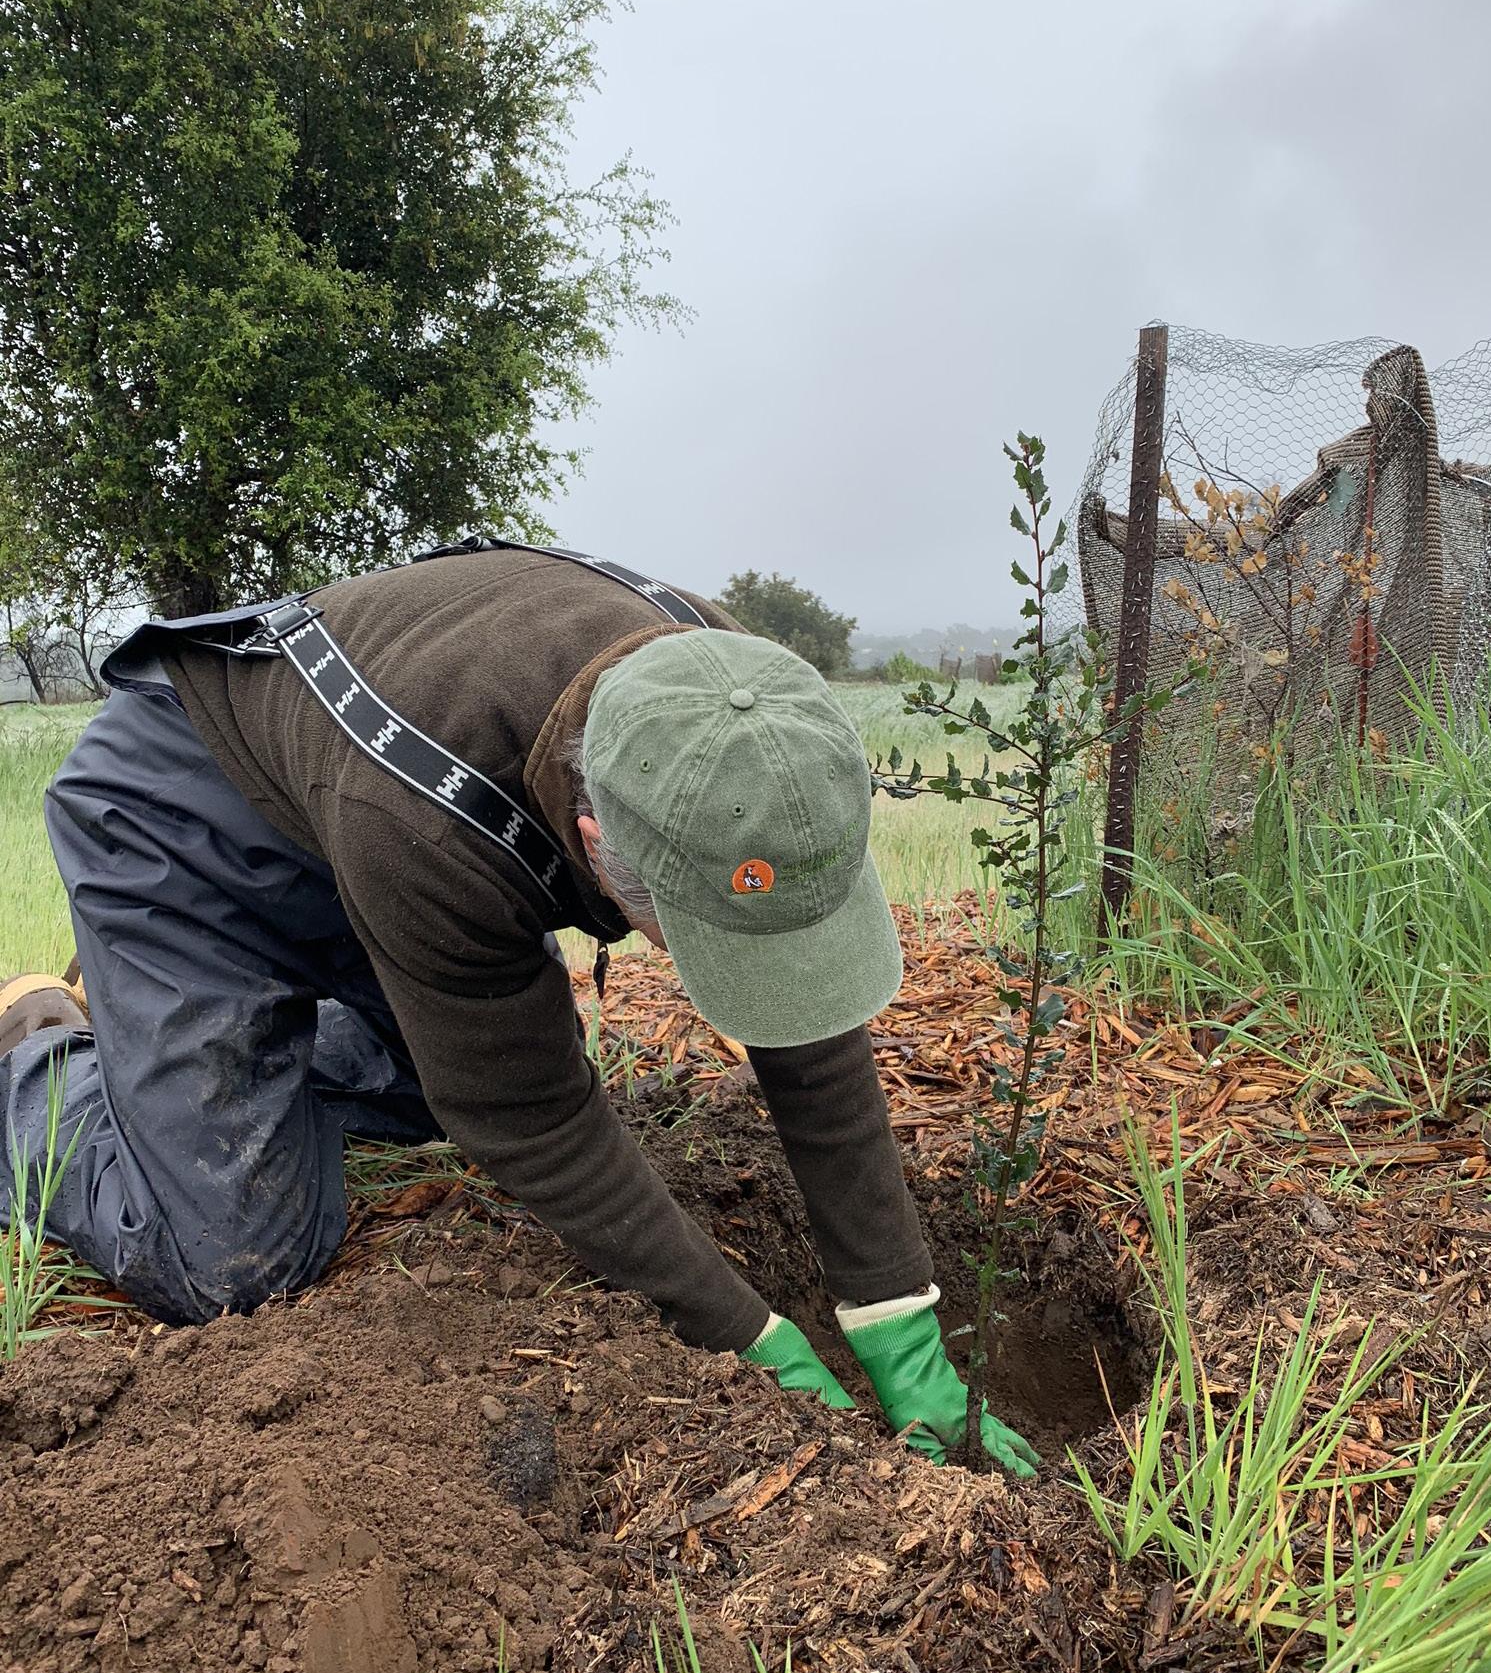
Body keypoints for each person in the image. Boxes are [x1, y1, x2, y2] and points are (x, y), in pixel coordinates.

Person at [0, 543, 1037, 1475]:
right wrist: (749, 1339)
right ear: (594, 844)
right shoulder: (427, 826)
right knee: (232, 1260)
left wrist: (895, 1313)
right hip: (186, 822)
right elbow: (528, 1116)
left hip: (348, 811)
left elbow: (802, 1015)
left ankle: (188, 1052)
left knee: (432, 1090)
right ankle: (42, 1048)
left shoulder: (750, 726)